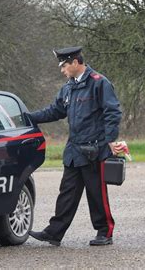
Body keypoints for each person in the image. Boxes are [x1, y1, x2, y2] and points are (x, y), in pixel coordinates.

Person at [27, 46, 124, 246]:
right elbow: (55, 111)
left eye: (64, 65)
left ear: (75, 62)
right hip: (74, 150)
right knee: (67, 193)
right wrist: (28, 117)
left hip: (94, 150)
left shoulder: (99, 83)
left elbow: (112, 113)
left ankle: (105, 232)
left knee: (96, 193)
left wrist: (108, 142)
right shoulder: (68, 87)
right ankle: (54, 233)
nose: (62, 70)